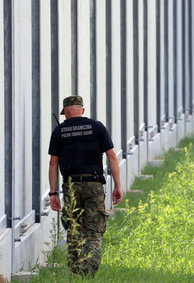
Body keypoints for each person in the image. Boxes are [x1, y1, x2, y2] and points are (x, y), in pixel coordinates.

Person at [48, 96, 123, 276]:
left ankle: (76, 271)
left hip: (71, 185)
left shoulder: (59, 131)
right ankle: (88, 271)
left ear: (66, 112)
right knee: (94, 230)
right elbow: (112, 156)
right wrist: (117, 186)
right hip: (94, 183)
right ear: (82, 109)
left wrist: (53, 193)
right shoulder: (97, 127)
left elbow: (53, 164)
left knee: (74, 229)